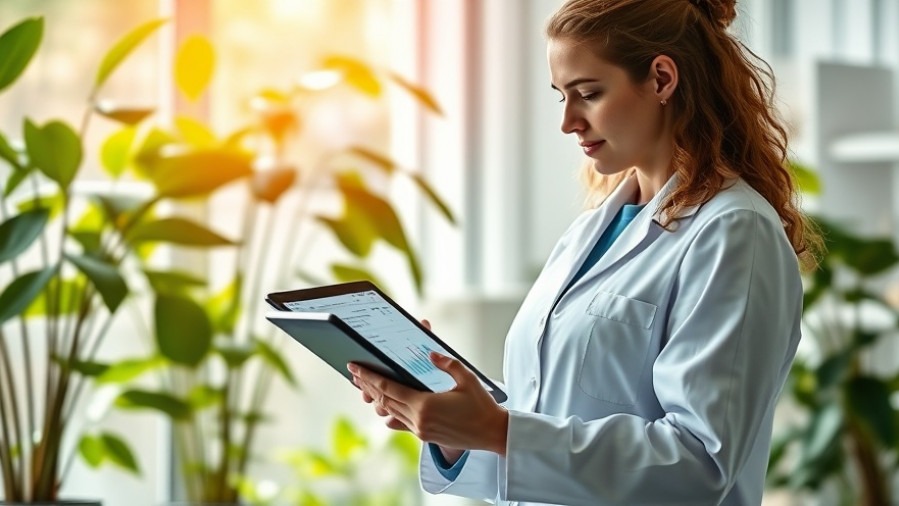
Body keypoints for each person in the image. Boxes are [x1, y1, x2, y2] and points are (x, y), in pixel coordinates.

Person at [348, 0, 822, 504]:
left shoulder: (734, 232)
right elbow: (543, 419)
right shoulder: (590, 232)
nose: (569, 122)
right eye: (562, 98)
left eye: (589, 94)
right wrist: (456, 422)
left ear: (662, 79)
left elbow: (699, 465)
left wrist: (498, 432)